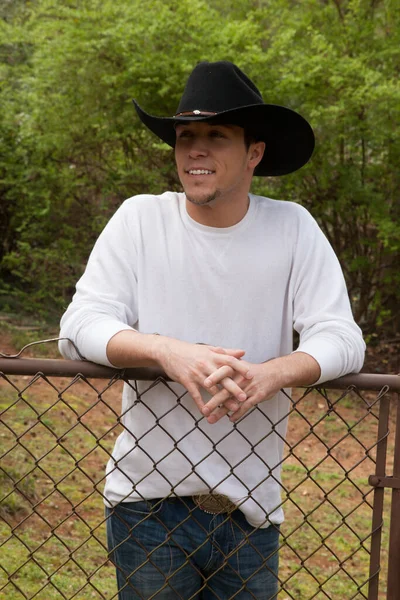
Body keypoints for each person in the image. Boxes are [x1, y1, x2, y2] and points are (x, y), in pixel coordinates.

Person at [59, 61, 365, 599]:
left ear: (255, 152)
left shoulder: (293, 228)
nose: (195, 150)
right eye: (185, 136)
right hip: (147, 503)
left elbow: (342, 338)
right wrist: (167, 352)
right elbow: (80, 324)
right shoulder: (140, 220)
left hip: (252, 510)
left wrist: (273, 374)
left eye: (216, 136)